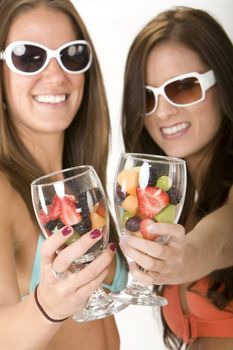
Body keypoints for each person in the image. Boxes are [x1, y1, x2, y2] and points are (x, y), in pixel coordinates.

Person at [0, 0, 128, 349]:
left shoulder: (83, 185)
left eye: (71, 55)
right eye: (29, 56)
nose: (56, 75)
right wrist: (47, 308)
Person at [119, 6, 233, 350]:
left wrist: (186, 259)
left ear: (224, 81)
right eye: (148, 96)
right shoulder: (178, 205)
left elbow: (222, 235)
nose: (164, 111)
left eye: (183, 87)